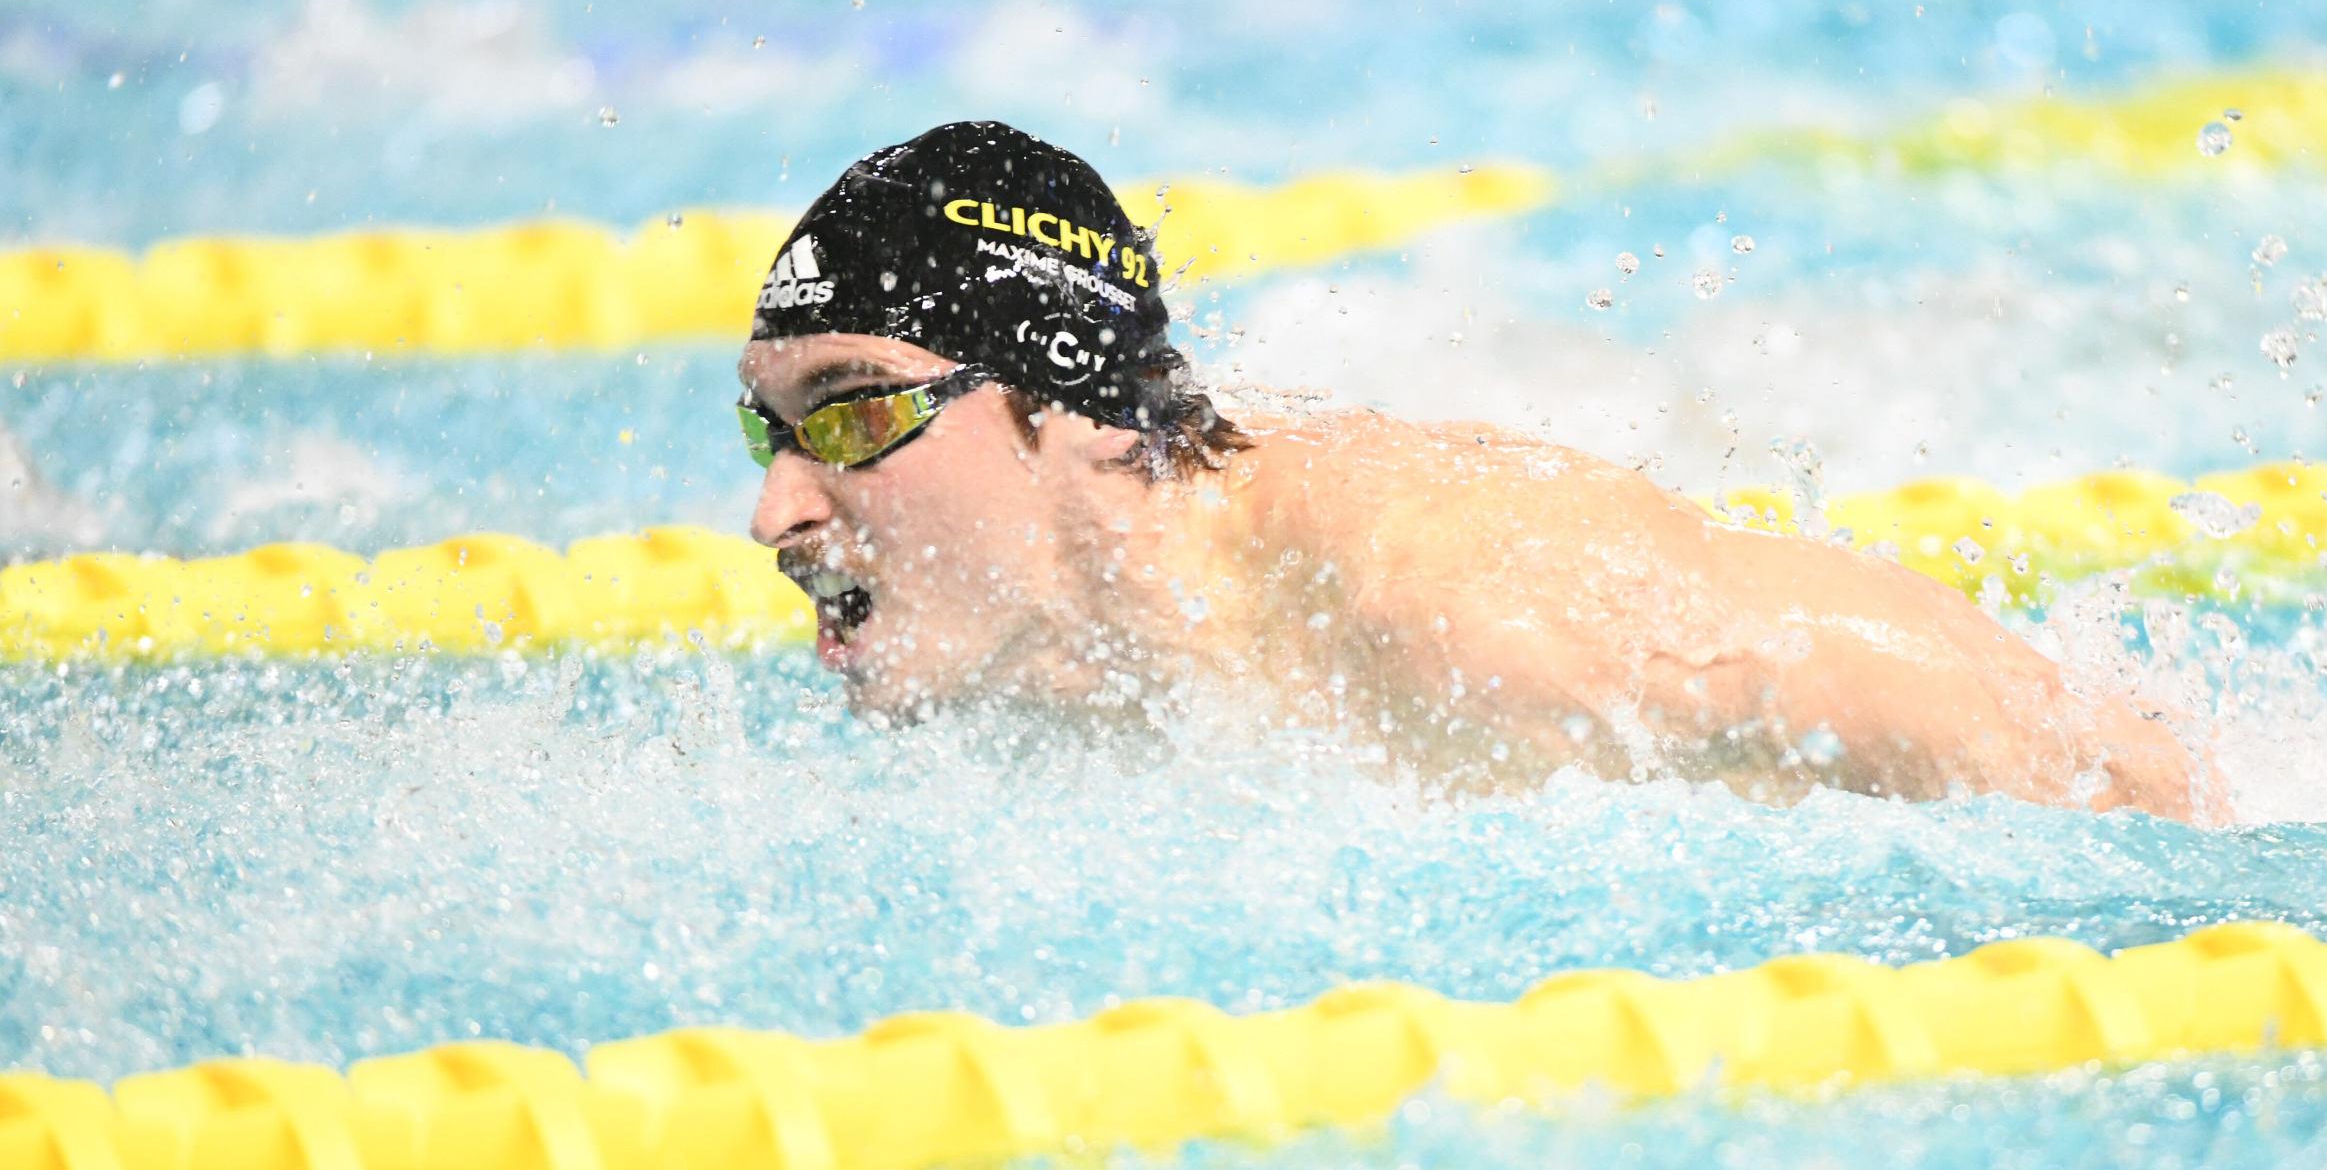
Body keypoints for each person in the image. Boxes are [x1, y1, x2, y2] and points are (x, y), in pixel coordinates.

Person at [739, 121, 2217, 819]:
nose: (779, 510)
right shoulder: (1049, 678)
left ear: (1069, 409)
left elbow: (2087, 765)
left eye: (854, 414)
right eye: (771, 428)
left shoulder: (1458, 610)